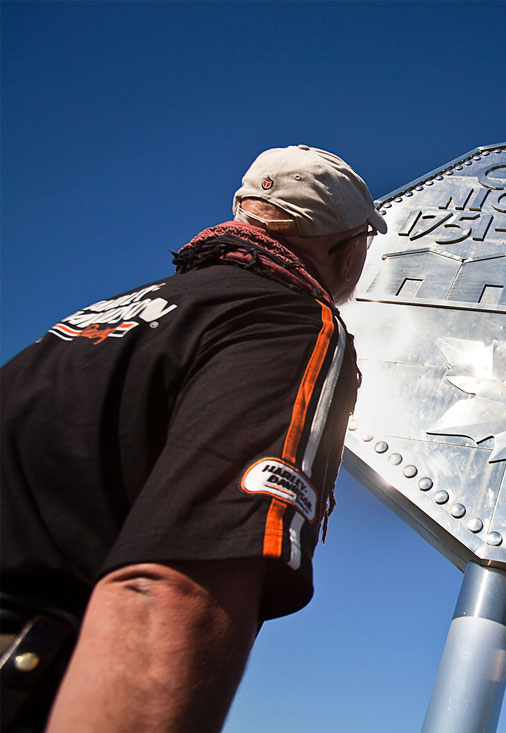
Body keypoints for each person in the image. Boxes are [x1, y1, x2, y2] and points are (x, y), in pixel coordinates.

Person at [0, 144, 387, 731]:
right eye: (365, 241)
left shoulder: (88, 324)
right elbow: (169, 589)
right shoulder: (286, 320)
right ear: (342, 246)